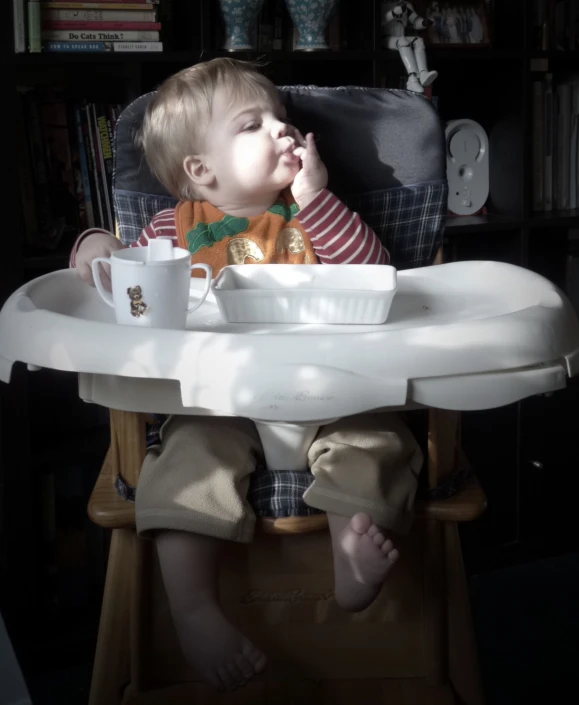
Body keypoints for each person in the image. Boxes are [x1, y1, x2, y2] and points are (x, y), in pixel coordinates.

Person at [71, 58, 423, 692]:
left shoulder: (313, 215)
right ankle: (195, 610)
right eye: (253, 124)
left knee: (377, 444)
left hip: (334, 393)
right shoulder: (172, 230)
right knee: (183, 466)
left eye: (283, 121)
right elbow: (125, 277)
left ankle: (350, 565)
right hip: (217, 405)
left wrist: (316, 200)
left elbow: (378, 275)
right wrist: (96, 246)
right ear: (201, 171)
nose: (283, 131)